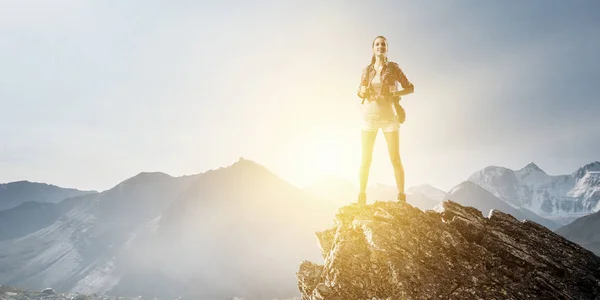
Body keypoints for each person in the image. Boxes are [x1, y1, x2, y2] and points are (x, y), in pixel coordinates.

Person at [356, 35, 415, 205]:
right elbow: (359, 90)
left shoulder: (393, 68)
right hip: (368, 118)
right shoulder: (366, 70)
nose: (380, 46)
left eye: (383, 44)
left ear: (386, 48)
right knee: (365, 159)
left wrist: (394, 93)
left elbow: (410, 88)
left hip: (390, 119)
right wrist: (362, 92)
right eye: (377, 44)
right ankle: (361, 197)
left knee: (395, 158)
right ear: (373, 48)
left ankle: (402, 196)